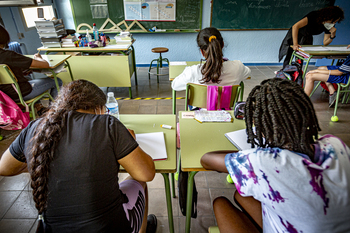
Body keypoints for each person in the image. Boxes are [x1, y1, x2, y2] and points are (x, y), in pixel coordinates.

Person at [0, 80, 157, 233]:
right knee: (139, 181)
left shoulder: (35, 127)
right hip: (108, 227)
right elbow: (146, 173)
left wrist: (40, 160)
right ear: (98, 109)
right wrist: (130, 142)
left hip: (53, 229)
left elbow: (5, 168)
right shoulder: (107, 124)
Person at [200, 78, 350, 233]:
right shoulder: (336, 145)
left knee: (220, 203)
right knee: (242, 195)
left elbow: (206, 159)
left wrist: (251, 154)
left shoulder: (264, 162)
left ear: (262, 126)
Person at [171, 27, 251, 91]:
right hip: (226, 110)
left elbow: (175, 85)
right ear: (222, 45)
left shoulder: (193, 71)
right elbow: (247, 72)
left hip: (200, 111)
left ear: (202, 52)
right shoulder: (237, 67)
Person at [0, 24, 62, 101]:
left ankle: (37, 107)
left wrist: (19, 73)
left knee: (28, 78)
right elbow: (45, 64)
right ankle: (54, 111)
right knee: (57, 81)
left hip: (3, 96)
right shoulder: (9, 55)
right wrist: (38, 58)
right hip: (19, 93)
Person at [279, 6, 344, 68]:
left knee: (300, 58)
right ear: (329, 16)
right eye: (333, 21)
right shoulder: (314, 15)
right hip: (296, 34)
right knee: (289, 55)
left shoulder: (329, 25)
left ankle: (297, 74)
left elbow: (325, 43)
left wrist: (332, 36)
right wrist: (295, 44)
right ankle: (286, 72)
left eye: (336, 22)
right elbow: (295, 26)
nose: (334, 23)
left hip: (307, 37)